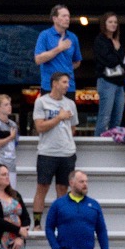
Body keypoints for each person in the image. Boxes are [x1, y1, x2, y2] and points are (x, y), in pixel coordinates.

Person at [32, 71, 80, 219]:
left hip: (67, 153)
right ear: (54, 83)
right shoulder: (41, 101)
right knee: (42, 187)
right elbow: (39, 127)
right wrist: (59, 118)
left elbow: (73, 128)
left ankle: (61, 222)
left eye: (68, 82)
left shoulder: (70, 103)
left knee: (63, 189)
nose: (68, 85)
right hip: (47, 152)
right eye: (64, 82)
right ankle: (38, 223)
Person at [91, 12, 125, 133]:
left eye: (115, 22)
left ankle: (113, 143)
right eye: (110, 22)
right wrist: (117, 52)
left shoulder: (117, 40)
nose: (113, 24)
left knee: (117, 117)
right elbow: (110, 61)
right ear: (104, 24)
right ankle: (98, 145)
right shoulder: (100, 40)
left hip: (119, 83)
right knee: (105, 116)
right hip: (106, 81)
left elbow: (123, 63)